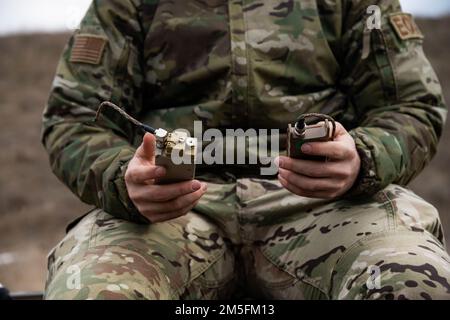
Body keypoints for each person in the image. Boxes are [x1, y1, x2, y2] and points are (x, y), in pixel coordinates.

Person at [42, 0, 450, 299]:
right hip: (170, 214)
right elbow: (74, 119)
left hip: (327, 205)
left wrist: (363, 157)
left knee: (415, 282)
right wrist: (123, 179)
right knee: (90, 292)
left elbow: (410, 105)